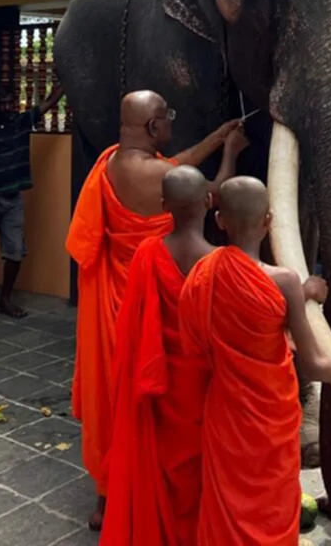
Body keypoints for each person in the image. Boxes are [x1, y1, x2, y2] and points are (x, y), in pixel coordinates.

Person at [67, 91, 248, 531]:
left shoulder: (110, 162)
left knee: (110, 400)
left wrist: (212, 138)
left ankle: (105, 499)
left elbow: (173, 165)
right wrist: (228, 154)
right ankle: (142, 489)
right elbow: (211, 195)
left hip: (111, 304)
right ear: (152, 128)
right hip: (149, 302)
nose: (171, 121)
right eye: (167, 116)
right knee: (153, 402)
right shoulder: (163, 179)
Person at [178, 175, 331, 546]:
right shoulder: (284, 280)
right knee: (272, 500)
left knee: (228, 500)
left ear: (220, 221)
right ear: (269, 220)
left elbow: (196, 343)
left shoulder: (203, 273)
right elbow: (314, 364)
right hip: (272, 415)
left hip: (226, 410)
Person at [102, 166, 215, 546]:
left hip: (159, 383)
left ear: (164, 205)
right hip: (204, 388)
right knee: (201, 464)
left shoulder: (148, 253)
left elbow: (133, 330)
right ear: (208, 202)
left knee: (161, 460)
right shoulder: (220, 264)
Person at [0, 85, 65, 320]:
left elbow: (49, 102)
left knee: (15, 252)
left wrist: (66, 82)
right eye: (4, 102)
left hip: (12, 198)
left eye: (11, 102)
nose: (8, 106)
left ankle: (5, 298)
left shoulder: (20, 122)